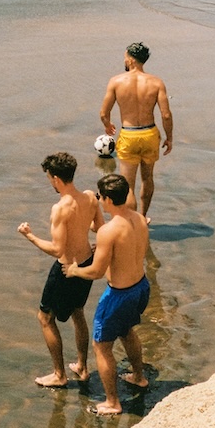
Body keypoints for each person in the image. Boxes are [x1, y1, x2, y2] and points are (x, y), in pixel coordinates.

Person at [65, 173, 150, 415]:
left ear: (109, 200)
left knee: (101, 346)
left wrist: (74, 270)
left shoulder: (108, 231)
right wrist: (104, 249)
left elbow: (96, 272)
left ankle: (112, 402)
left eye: (101, 197)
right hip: (141, 286)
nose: (99, 200)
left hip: (119, 294)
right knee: (126, 330)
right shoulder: (141, 219)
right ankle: (139, 377)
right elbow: (130, 249)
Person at [18, 152, 103, 388]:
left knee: (45, 318)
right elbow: (99, 227)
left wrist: (30, 236)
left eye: (49, 178)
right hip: (86, 263)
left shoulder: (60, 209)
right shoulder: (89, 197)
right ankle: (83, 368)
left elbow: (57, 249)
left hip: (66, 269)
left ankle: (59, 375)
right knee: (78, 313)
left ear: (55, 178)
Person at [100, 42, 173, 220]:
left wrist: (108, 125)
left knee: (128, 185)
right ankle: (143, 216)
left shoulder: (116, 81)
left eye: (125, 56)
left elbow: (103, 112)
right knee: (147, 178)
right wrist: (169, 137)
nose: (124, 60)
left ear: (131, 59)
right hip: (149, 134)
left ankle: (132, 222)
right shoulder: (156, 82)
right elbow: (166, 115)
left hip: (129, 134)